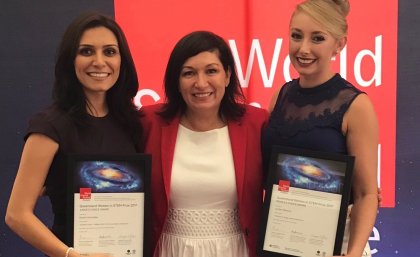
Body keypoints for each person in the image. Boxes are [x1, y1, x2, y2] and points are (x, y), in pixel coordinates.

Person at [5, 12, 141, 257]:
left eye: (109, 51)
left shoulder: (133, 123)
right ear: (70, 59)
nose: (99, 62)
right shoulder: (50, 126)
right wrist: (70, 255)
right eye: (86, 51)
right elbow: (17, 215)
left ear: (122, 60)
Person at [262, 0, 379, 256]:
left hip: (338, 246)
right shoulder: (280, 96)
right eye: (296, 36)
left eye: (317, 38)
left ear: (339, 44)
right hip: (281, 240)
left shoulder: (356, 106)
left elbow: (367, 194)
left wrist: (353, 253)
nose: (303, 48)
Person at [140, 31, 268, 257]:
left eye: (211, 71)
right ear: (176, 82)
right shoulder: (149, 122)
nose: (201, 83)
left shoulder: (257, 123)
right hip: (170, 250)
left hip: (235, 250)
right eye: (189, 73)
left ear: (227, 76)